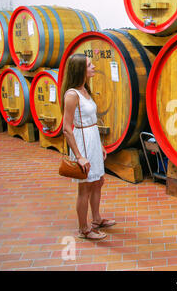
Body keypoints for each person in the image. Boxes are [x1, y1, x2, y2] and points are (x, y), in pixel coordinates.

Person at [60, 54, 115, 240]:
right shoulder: (72, 95)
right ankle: (83, 229)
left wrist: (99, 145)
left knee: (98, 181)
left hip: (92, 139)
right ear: (80, 70)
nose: (93, 67)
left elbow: (91, 122)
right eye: (89, 65)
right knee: (85, 187)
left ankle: (97, 219)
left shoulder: (85, 90)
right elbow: (66, 128)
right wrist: (79, 156)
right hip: (82, 143)